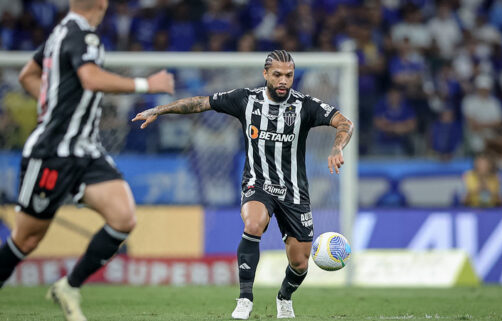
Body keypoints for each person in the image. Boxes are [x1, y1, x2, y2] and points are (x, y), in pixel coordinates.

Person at [132, 50, 354, 320]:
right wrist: (160, 109)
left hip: (294, 191)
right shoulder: (245, 99)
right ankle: (245, 299)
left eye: (289, 75)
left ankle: (284, 297)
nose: (284, 80)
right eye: (277, 75)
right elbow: (201, 103)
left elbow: (344, 122)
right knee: (253, 223)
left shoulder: (305, 105)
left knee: (300, 262)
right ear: (265, 75)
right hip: (257, 184)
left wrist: (337, 146)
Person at [0, 1, 174, 321]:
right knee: (26, 239)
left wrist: (52, 104)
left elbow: (28, 75)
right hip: (52, 153)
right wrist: (146, 85)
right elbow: (91, 79)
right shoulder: (81, 35)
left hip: (86, 150)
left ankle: (69, 286)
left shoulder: (60, 33)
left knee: (123, 217)